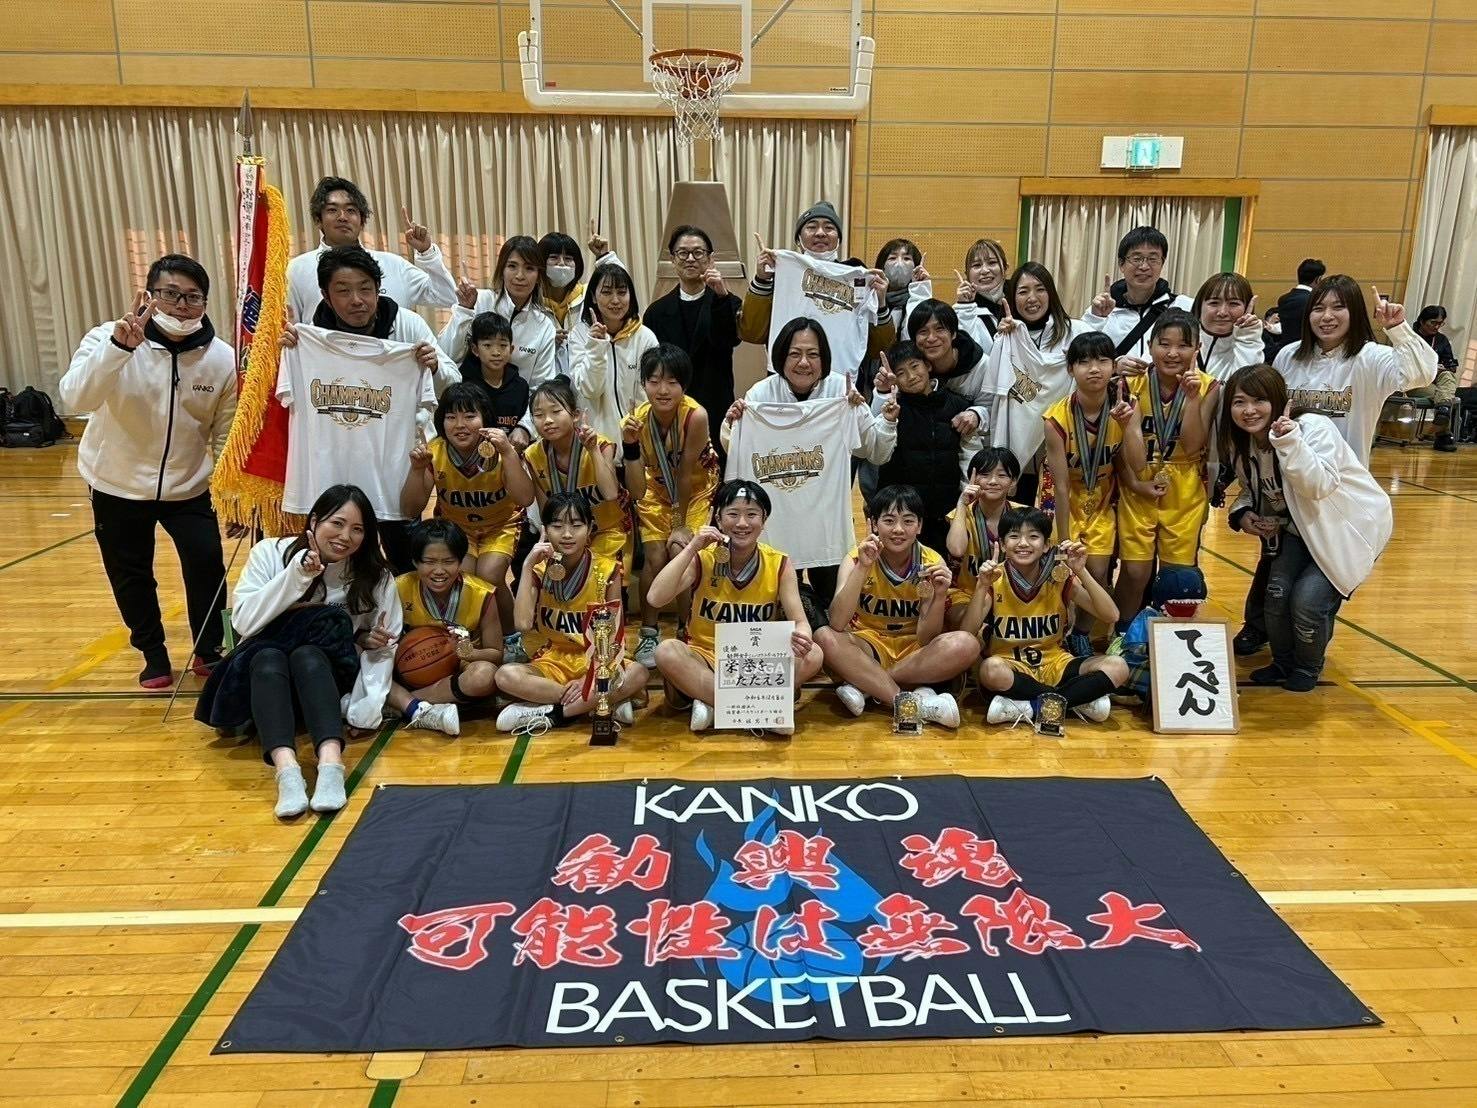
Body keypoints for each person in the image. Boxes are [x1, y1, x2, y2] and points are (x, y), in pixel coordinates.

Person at [60, 255, 237, 689]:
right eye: (170, 294)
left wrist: (228, 493)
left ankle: (209, 648)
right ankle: (153, 653)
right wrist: (118, 349)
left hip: (189, 487)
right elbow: (75, 398)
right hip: (116, 483)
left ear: (205, 302)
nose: (181, 306)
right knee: (130, 573)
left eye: (193, 297)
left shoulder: (222, 359)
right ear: (150, 296)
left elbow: (225, 432)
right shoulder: (107, 337)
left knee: (207, 563)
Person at [195, 486, 399, 819]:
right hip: (265, 684)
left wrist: (366, 708)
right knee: (268, 656)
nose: (345, 536)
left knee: (308, 654)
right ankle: (286, 770)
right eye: (337, 523)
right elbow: (244, 623)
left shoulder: (375, 576)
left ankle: (331, 764)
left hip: (324, 684)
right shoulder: (269, 552)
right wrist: (298, 575)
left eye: (358, 529)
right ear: (314, 521)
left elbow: (386, 645)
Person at [279, 246, 455, 574]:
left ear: (378, 289)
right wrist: (287, 352)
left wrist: (433, 367)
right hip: (332, 474)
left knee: (405, 561)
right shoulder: (307, 339)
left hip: (392, 474)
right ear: (326, 296)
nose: (357, 300)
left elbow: (452, 380)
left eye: (365, 289)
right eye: (343, 291)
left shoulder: (407, 325)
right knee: (334, 563)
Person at [1221, 365, 1392, 691]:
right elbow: (1256, 489)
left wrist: (1288, 442)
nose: (1249, 410)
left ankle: (1307, 667)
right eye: (1239, 402)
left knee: (1308, 601)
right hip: (1299, 530)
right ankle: (1283, 662)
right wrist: (1242, 513)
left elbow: (1317, 485)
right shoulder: (1245, 443)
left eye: (1259, 400)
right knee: (1275, 595)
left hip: (1345, 532)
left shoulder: (1312, 427)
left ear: (1277, 399)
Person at [723, 318, 898, 614]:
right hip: (776, 526)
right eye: (795, 353)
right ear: (780, 357)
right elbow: (737, 451)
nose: (804, 362)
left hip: (825, 528)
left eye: (813, 354)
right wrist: (733, 424)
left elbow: (876, 451)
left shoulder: (841, 391)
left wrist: (883, 415)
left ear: (824, 358)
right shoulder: (760, 395)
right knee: (773, 604)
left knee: (833, 603)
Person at [649, 480, 825, 734]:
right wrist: (692, 547)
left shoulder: (779, 563)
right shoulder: (703, 557)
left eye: (751, 514)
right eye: (733, 514)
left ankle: (712, 702)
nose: (742, 523)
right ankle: (762, 710)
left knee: (814, 653)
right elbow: (655, 598)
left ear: (764, 520)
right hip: (706, 655)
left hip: (758, 661)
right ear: (718, 519)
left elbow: (800, 622)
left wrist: (803, 635)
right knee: (666, 651)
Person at [815, 485, 976, 728]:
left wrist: (940, 595)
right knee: (824, 637)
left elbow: (926, 638)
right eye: (889, 520)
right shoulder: (856, 558)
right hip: (868, 645)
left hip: (914, 651)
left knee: (967, 643)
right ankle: (907, 702)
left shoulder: (932, 562)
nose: (898, 529)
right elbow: (837, 622)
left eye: (908, 521)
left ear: (919, 526)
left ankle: (868, 686)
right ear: (873, 524)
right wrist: (862, 568)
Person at [496, 493, 647, 733]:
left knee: (638, 673)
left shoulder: (607, 569)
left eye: (576, 525)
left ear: (590, 528)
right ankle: (597, 702)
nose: (567, 534)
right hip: (554, 659)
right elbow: (522, 624)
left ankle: (555, 713)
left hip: (598, 659)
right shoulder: (538, 569)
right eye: (557, 526)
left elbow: (613, 636)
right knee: (505, 676)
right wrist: (526, 566)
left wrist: (589, 678)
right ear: (545, 530)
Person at [963, 508, 1128, 727]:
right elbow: (966, 632)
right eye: (1014, 536)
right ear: (1002, 544)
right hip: (1010, 667)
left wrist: (1081, 571)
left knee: (1118, 666)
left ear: (1046, 545)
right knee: (990, 669)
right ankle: (1073, 700)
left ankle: (1032, 706)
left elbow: (1111, 615)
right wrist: (982, 586)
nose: (1023, 543)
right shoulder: (994, 578)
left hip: (1055, 663)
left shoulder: (1059, 576)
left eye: (1033, 536)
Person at [403, 383, 534, 640]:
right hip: (458, 528)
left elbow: (526, 498)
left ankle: (510, 637)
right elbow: (411, 509)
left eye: (470, 416)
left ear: (485, 419)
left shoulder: (499, 448)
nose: (460, 425)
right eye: (451, 417)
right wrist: (417, 470)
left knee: (490, 574)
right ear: (442, 422)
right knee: (462, 576)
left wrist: (509, 453)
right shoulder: (434, 452)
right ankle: (472, 637)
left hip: (501, 525)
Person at [1113, 310, 1219, 630]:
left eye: (1183, 345)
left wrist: (1192, 399)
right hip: (1139, 483)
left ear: (1197, 349)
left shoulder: (1210, 386)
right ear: (1150, 345)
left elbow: (1192, 445)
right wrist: (1135, 483)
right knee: (1135, 572)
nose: (1173, 353)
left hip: (1184, 486)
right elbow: (1126, 453)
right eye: (1164, 344)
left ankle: (1171, 640)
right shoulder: (1130, 383)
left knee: (1176, 578)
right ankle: (1124, 634)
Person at [620, 345, 722, 667]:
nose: (662, 390)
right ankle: (649, 632)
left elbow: (686, 472)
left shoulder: (696, 416)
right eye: (654, 381)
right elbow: (637, 490)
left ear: (684, 385)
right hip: (654, 489)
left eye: (672, 382)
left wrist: (678, 523)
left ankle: (686, 627)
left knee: (681, 550)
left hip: (695, 489)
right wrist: (629, 446)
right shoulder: (634, 421)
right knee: (654, 557)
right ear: (643, 384)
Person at [1272, 276, 1436, 466]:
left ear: (1355, 312)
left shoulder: (1372, 357)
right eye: (1318, 308)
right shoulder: (1288, 355)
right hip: (1290, 470)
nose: (1327, 316)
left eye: (1338, 307)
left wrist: (1397, 328)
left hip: (1346, 475)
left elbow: (1422, 375)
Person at [1041, 332, 1145, 629]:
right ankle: (1060, 630)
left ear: (1114, 365)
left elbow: (1138, 464)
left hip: (1101, 497)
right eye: (1084, 362)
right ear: (1070, 369)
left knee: (1097, 572)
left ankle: (1082, 633)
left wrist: (1128, 426)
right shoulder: (1055, 419)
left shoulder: (1127, 405)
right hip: (1064, 498)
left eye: (1102, 360)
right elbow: (1061, 486)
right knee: (1062, 571)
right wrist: (1063, 539)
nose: (1095, 369)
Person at [740, 200, 894, 364]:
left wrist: (880, 304)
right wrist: (762, 280)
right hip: (790, 372)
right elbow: (751, 333)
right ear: (798, 239)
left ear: (839, 239)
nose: (820, 233)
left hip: (840, 374)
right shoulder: (782, 272)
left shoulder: (858, 278)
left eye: (829, 228)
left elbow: (879, 348)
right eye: (811, 227)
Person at [387, 520, 501, 737]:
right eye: (429, 562)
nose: (439, 571)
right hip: (410, 669)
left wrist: (467, 652)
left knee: (484, 676)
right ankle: (418, 701)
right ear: (415, 561)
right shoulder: (398, 587)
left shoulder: (482, 593)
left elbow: (496, 654)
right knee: (371, 665)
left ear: (460, 561)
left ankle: (406, 702)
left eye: (448, 561)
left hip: (461, 672)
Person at [285, 176, 455, 321]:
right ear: (318, 220)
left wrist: (427, 253)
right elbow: (291, 327)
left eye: (350, 210)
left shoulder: (394, 265)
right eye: (332, 210)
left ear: (362, 220)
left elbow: (447, 296)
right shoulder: (296, 270)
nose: (342, 217)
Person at [643, 225, 743, 466]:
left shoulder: (728, 302)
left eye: (698, 252)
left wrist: (721, 296)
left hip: (716, 403)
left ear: (710, 258)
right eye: (683, 253)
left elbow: (731, 339)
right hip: (671, 409)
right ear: (672, 259)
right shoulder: (656, 312)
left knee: (717, 473)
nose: (690, 259)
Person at [986, 262, 1077, 504]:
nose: (1032, 298)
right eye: (1023, 291)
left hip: (1061, 456)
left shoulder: (1074, 333)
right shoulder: (1006, 336)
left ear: (1051, 293)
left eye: (1040, 289)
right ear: (1012, 298)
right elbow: (995, 391)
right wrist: (1002, 339)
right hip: (1018, 458)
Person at [871, 341, 974, 552]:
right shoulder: (892, 409)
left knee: (943, 568)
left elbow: (968, 455)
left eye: (914, 366)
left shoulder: (958, 405)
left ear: (927, 365)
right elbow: (876, 450)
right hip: (901, 515)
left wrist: (966, 500)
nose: (911, 376)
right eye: (901, 372)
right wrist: (884, 399)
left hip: (946, 511)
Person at [439, 235, 558, 387]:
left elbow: (541, 384)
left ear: (539, 276)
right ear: (502, 270)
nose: (520, 276)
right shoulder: (478, 300)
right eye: (512, 266)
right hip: (468, 398)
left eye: (529, 268)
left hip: (517, 401)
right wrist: (464, 310)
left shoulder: (544, 324)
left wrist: (521, 403)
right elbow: (446, 355)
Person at [571, 261, 660, 444]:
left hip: (637, 438)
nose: (615, 300)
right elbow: (590, 390)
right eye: (606, 292)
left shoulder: (645, 337)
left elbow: (650, 394)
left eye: (621, 292)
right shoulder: (579, 335)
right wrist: (596, 346)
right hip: (595, 442)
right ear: (593, 296)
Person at [1080, 226, 1195, 367]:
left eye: (1153, 259)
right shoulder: (1101, 311)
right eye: (1136, 258)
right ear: (1121, 264)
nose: (1144, 266)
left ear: (1162, 264)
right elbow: (1079, 357)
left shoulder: (1184, 306)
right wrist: (1114, 366)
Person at [944, 447, 1024, 630]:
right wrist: (962, 503)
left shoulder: (1024, 516)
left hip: (1011, 594)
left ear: (1013, 481)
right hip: (966, 594)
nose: (993, 481)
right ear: (973, 479)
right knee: (966, 627)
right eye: (985, 474)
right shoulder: (961, 514)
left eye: (1002, 475)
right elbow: (956, 549)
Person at [538, 223, 622, 377]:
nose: (562, 263)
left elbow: (620, 283)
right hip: (547, 386)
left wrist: (604, 256)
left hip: (587, 382)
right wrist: (545, 343)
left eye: (568, 258)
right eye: (554, 258)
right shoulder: (531, 303)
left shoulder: (588, 296)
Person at [904, 299, 992, 434]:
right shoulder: (910, 369)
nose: (931, 338)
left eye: (939, 329)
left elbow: (993, 410)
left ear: (954, 333)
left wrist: (977, 414)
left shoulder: (982, 365)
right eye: (923, 331)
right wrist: (883, 391)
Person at [907, 238, 1010, 350]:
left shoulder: (1018, 301)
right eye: (977, 265)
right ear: (967, 274)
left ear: (1005, 268)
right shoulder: (962, 313)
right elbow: (967, 354)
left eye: (992, 263)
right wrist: (965, 307)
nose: (984, 270)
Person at [456, 312, 530, 440]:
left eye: (503, 345)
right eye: (487, 345)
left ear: (511, 349)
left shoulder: (520, 386)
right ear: (475, 349)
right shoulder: (463, 385)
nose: (496, 352)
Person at [1191, 272, 1264, 382]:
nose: (1222, 312)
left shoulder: (1252, 343)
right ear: (1199, 306)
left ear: (1246, 308)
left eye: (1233, 303)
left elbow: (1244, 387)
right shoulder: (1181, 340)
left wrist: (1247, 337)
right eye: (1214, 303)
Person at [1412, 306, 1461, 451]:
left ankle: (1442, 411)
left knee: (1448, 376)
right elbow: (1403, 365)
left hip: (1436, 379)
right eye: (1433, 323)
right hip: (1414, 381)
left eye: (1440, 323)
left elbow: (1451, 365)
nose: (1437, 327)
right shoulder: (1410, 337)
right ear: (1422, 321)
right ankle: (1442, 435)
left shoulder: (1441, 340)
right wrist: (1431, 367)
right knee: (1444, 396)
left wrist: (1444, 367)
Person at [1270, 258, 1326, 358]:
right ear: (1318, 279)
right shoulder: (1314, 300)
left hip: (1284, 352)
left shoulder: (1283, 299)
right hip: (1308, 352)